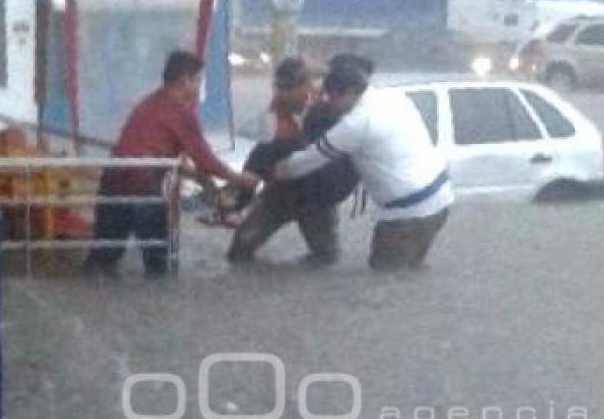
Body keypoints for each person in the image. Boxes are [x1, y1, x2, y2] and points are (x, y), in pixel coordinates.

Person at [84, 50, 258, 277]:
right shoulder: (180, 113)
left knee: (101, 260)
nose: (198, 86)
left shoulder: (149, 104)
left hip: (114, 182)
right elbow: (206, 162)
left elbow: (156, 154)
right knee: (158, 267)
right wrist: (241, 179)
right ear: (184, 80)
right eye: (197, 80)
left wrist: (204, 184)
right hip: (144, 189)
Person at [274, 58, 452, 270]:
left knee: (384, 281)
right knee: (409, 274)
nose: (329, 103)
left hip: (406, 215)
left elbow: (308, 160)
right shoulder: (393, 97)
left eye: (333, 97)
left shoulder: (356, 124)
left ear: (348, 93)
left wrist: (278, 170)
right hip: (440, 201)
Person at [227, 55, 359, 266]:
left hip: (318, 196)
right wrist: (238, 204)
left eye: (290, 88)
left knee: (326, 258)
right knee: (239, 250)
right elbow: (258, 159)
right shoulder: (272, 116)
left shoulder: (332, 107)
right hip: (282, 190)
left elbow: (345, 153)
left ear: (307, 84)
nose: (283, 94)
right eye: (279, 88)